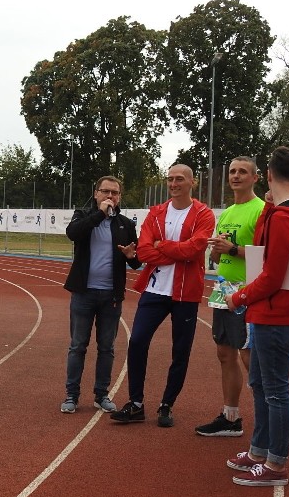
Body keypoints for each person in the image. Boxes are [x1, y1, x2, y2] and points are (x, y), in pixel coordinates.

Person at [225, 146, 289, 486]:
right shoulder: (287, 213)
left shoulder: (284, 219)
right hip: (275, 312)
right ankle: (259, 451)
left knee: (275, 390)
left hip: (278, 313)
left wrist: (238, 297)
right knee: (260, 383)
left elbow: (270, 273)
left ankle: (276, 465)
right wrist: (269, 204)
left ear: (268, 175)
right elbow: (266, 254)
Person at [111, 163, 215, 427]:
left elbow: (195, 249)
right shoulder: (156, 213)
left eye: (179, 179)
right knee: (137, 342)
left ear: (192, 182)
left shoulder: (204, 214)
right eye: (170, 179)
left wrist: (163, 245)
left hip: (186, 293)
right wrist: (174, 250)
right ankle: (136, 404)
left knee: (180, 351)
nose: (173, 184)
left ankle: (167, 405)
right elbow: (144, 252)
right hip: (155, 289)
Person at [196, 156, 265, 437]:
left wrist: (233, 248)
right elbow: (218, 253)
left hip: (246, 288)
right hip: (223, 287)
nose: (236, 176)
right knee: (225, 353)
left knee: (249, 356)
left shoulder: (261, 210)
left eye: (242, 172)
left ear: (255, 178)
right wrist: (215, 249)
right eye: (233, 171)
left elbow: (266, 255)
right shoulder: (226, 212)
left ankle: (265, 419)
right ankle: (230, 416)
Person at [60, 176, 140, 414]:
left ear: (120, 197)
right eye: (105, 192)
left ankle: (101, 395)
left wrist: (131, 256)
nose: (110, 196)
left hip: (111, 296)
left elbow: (137, 261)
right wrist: (101, 214)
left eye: (114, 193)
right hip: (84, 294)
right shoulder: (83, 216)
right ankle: (71, 395)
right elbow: (73, 234)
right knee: (77, 346)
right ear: (96, 194)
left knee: (107, 347)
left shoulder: (126, 224)